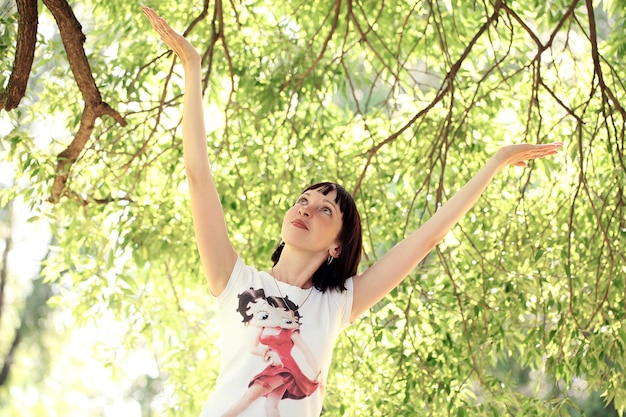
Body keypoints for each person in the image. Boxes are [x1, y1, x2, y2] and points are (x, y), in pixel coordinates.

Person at [142, 7, 563, 417]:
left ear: (338, 245)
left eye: (325, 210)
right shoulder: (236, 282)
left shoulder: (336, 305)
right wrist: (193, 68)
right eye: (303, 200)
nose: (306, 209)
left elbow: (426, 239)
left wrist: (494, 163)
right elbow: (198, 176)